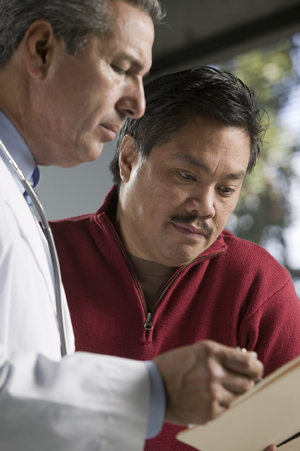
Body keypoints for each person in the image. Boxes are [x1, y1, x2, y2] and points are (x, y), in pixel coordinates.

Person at [0, 1, 263, 450]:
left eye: (225, 188)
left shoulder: (18, 194)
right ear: (42, 50)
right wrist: (152, 391)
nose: (137, 102)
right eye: (122, 67)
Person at [50, 66, 300, 451]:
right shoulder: (42, 254)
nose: (205, 207)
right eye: (186, 175)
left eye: (226, 188)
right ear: (129, 159)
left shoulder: (259, 284)